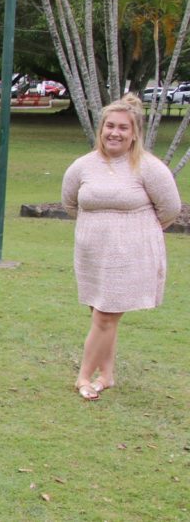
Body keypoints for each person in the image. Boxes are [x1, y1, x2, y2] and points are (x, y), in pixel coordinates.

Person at [61, 94, 181, 401]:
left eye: (123, 128)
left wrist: (133, 231)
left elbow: (169, 209)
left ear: (134, 133)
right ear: (101, 129)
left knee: (104, 316)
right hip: (92, 254)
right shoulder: (83, 166)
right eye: (109, 126)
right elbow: (70, 203)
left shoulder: (148, 167)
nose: (115, 133)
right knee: (103, 317)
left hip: (129, 256)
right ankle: (108, 374)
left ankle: (84, 377)